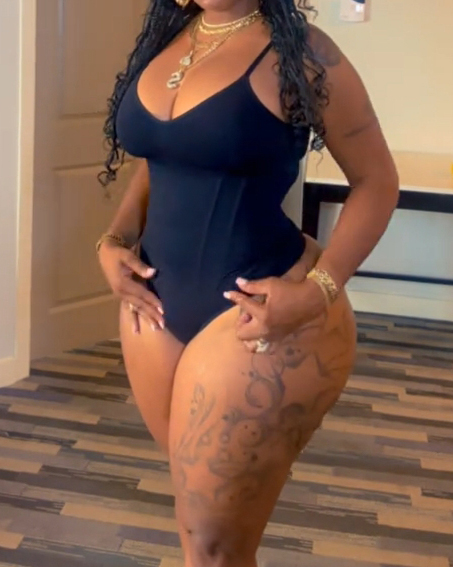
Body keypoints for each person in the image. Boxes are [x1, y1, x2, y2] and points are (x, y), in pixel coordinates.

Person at [96, 1, 399, 566]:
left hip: (253, 314)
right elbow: (163, 156)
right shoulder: (171, 37)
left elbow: (377, 180)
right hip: (154, 311)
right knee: (201, 530)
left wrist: (317, 293)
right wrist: (114, 240)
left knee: (215, 545)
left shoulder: (302, 52)